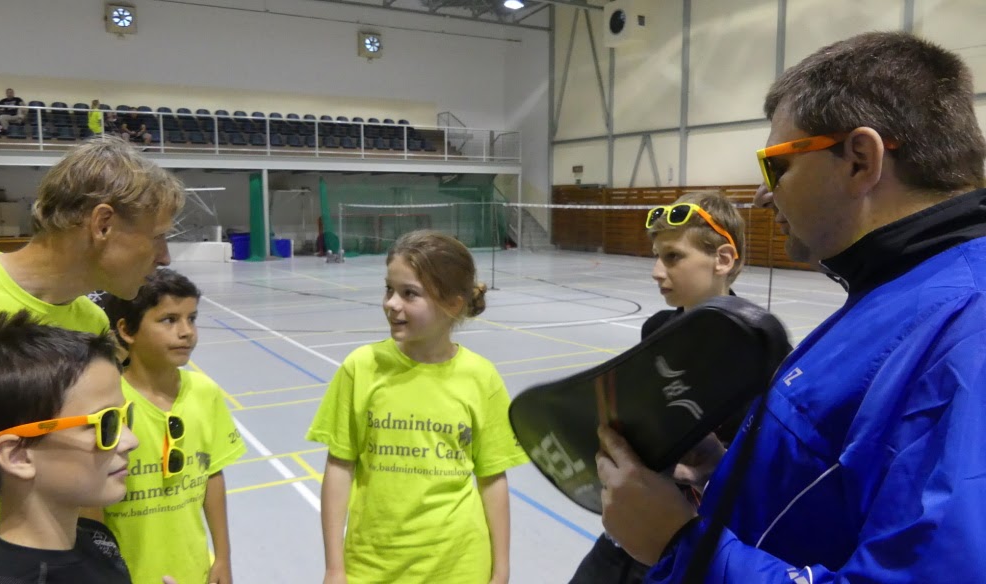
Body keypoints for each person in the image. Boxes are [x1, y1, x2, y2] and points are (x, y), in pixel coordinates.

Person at [595, 31, 986, 583]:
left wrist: (681, 545)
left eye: (776, 166)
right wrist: (729, 472)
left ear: (860, 160)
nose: (763, 195)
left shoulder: (969, 330)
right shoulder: (901, 290)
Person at [0, 136, 185, 583]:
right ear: (103, 224)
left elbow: (90, 466)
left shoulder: (91, 323)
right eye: (157, 237)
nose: (165, 256)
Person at [307, 230, 529, 584]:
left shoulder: (481, 377)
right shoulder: (360, 368)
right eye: (389, 289)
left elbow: (492, 479)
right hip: (371, 565)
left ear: (452, 304)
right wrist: (335, 568)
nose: (391, 303)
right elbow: (339, 466)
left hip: (459, 565)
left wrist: (501, 570)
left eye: (409, 293)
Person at [570, 192, 746, 584]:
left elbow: (757, 465)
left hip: (691, 536)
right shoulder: (657, 329)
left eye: (673, 256)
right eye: (656, 255)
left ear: (722, 260)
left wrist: (711, 469)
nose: (656, 271)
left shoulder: (758, 354)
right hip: (629, 527)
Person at [0, 311, 138, 583]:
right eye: (106, 423)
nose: (131, 441)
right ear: (18, 456)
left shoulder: (97, 540)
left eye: (125, 416)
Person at [97, 269, 245, 584]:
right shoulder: (105, 400)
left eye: (192, 319)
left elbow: (212, 475)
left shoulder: (205, 392)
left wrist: (222, 557)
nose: (186, 332)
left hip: (194, 569)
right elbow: (90, 501)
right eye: (169, 320)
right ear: (127, 330)